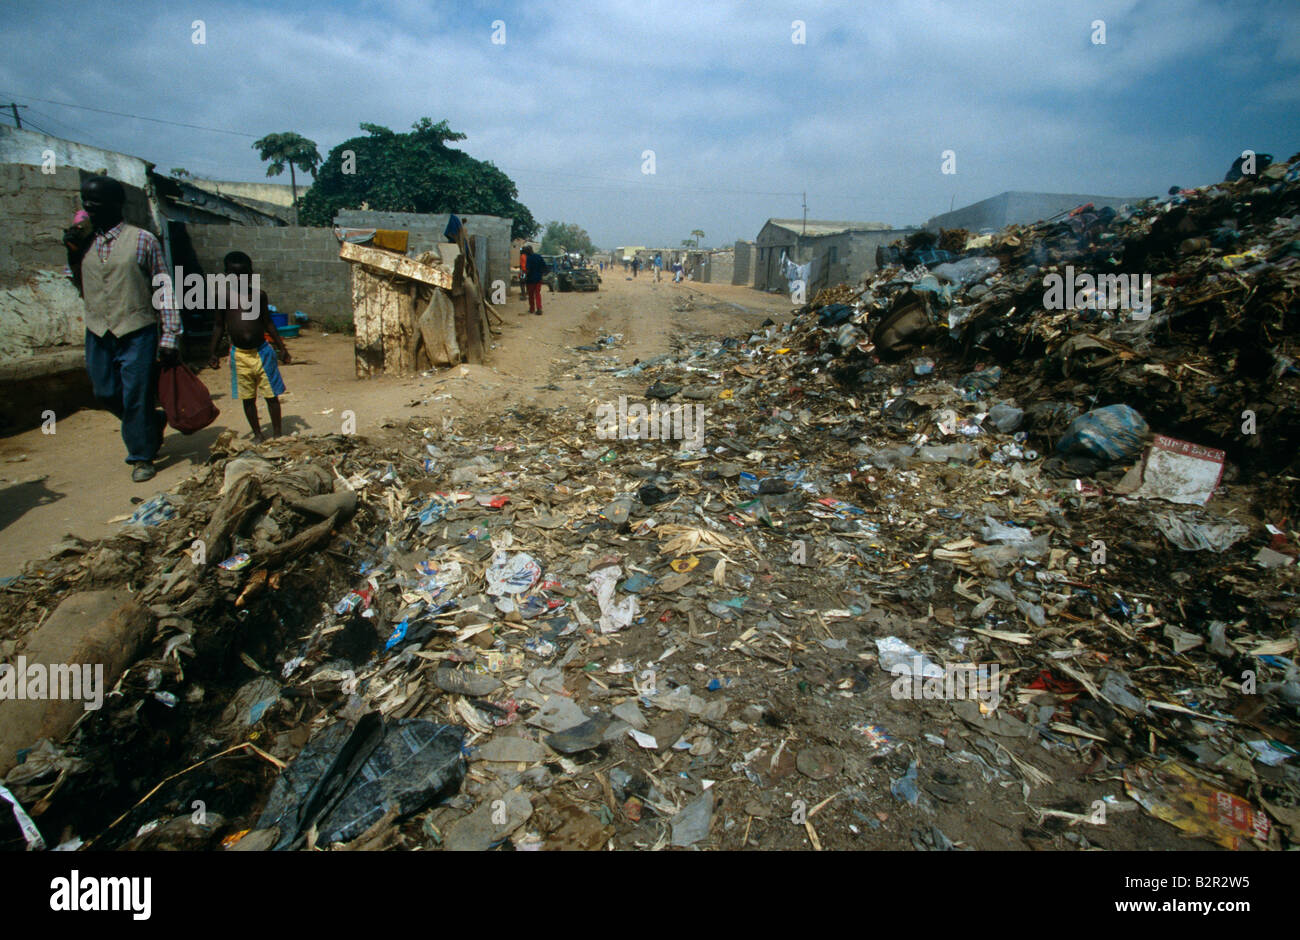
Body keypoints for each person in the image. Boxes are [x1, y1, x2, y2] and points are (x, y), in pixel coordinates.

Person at [65, 175, 180, 482]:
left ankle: (141, 456)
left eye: (96, 201)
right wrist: (72, 251)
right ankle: (150, 422)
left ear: (116, 204)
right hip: (98, 330)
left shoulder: (142, 239)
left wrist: (169, 334)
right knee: (105, 391)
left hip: (136, 330)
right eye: (85, 200)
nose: (89, 206)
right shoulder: (82, 241)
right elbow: (79, 283)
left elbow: (162, 288)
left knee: (136, 395)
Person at [207, 251, 291, 440]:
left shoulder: (258, 296)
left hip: (262, 352)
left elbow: (268, 322)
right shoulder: (224, 297)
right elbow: (219, 326)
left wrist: (282, 347)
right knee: (247, 397)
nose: (238, 278)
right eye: (233, 274)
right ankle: (258, 433)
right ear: (227, 274)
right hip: (240, 355)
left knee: (271, 395)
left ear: (250, 274)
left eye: (242, 273)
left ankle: (278, 434)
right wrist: (212, 352)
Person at [522, 245, 548, 315]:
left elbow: (528, 270)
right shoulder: (539, 256)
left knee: (531, 295)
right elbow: (545, 267)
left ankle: (532, 309)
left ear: (527, 251)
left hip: (530, 280)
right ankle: (539, 308)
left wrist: (524, 277)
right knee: (537, 294)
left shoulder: (529, 258)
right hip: (538, 279)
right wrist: (542, 274)